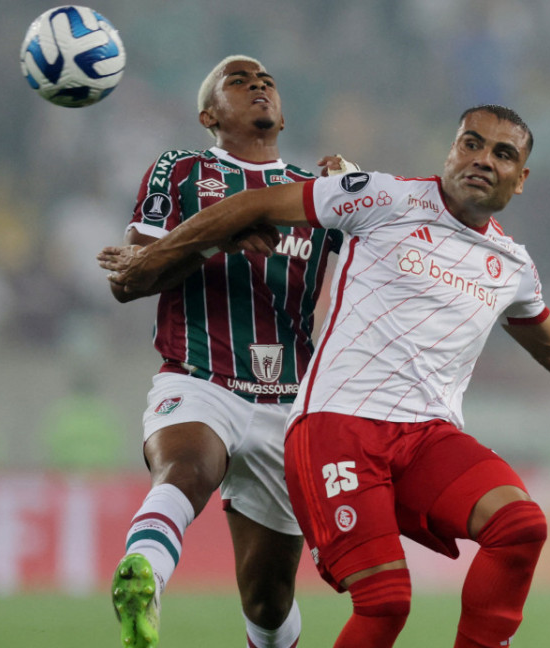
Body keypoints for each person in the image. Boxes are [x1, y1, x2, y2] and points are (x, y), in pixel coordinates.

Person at [101, 104, 550, 647]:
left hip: (426, 437)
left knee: (520, 526)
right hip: (336, 427)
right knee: (385, 602)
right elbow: (256, 204)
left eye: (503, 153)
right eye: (472, 143)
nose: (484, 159)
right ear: (451, 151)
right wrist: (151, 257)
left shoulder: (513, 266)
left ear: (522, 178)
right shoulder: (382, 196)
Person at [107, 54, 352, 648]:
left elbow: (380, 278)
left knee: (268, 601)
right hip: (199, 377)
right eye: (238, 82)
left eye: (266, 80)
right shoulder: (183, 169)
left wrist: (356, 197)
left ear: (284, 113)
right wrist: (222, 231)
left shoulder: (316, 195)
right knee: (187, 470)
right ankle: (144, 580)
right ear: (208, 114)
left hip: (285, 404)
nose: (259, 85)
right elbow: (130, 279)